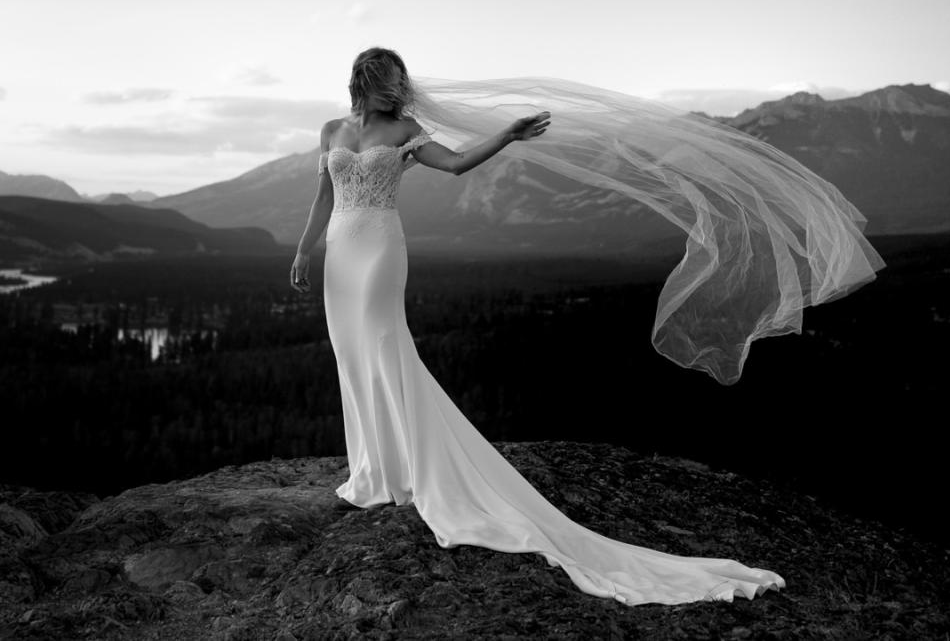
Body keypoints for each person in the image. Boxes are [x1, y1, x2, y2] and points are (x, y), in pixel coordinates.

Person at [287, 46, 858, 604]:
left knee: (385, 343)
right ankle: (374, 469)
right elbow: (323, 197)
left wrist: (507, 135)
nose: (393, 87)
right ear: (367, 82)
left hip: (382, 247)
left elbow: (457, 164)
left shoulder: (404, 129)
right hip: (341, 250)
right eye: (387, 79)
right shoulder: (331, 130)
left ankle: (405, 472)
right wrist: (303, 251)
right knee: (351, 350)